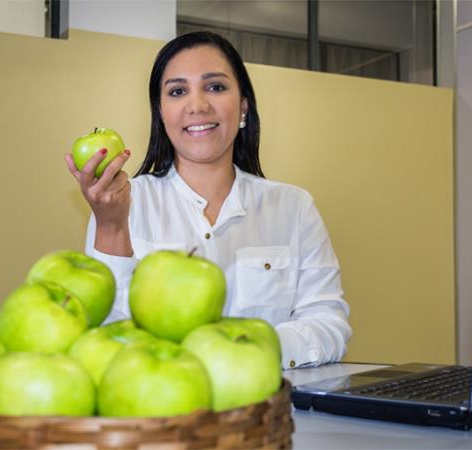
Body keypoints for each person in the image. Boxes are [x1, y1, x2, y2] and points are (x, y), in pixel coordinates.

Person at [65, 31, 351, 369]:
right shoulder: (121, 204)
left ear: (243, 105)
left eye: (215, 87)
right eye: (177, 91)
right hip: (162, 412)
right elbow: (104, 338)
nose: (198, 105)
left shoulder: (294, 207)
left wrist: (245, 350)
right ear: (161, 112)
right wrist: (111, 226)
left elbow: (329, 324)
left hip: (269, 413)